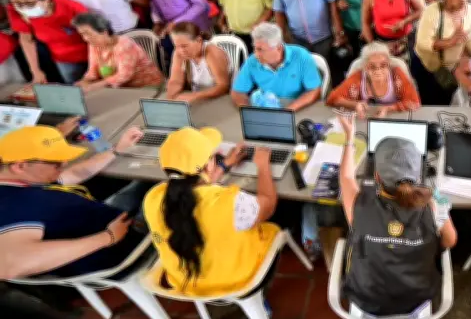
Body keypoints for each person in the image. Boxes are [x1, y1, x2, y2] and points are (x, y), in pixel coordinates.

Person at [337, 113, 457, 316]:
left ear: (376, 176)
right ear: (418, 174)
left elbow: (346, 176)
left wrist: (350, 137)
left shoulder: (358, 205)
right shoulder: (434, 204)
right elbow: (450, 240)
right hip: (416, 297)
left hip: (366, 297)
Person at [142, 126, 279, 296]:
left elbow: (191, 189)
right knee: (281, 217)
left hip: (186, 284)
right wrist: (263, 165)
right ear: (207, 166)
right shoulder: (231, 203)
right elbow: (269, 203)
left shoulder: (153, 198)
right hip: (236, 281)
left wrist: (223, 165)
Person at [0, 125, 148, 279]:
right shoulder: (12, 206)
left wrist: (116, 150)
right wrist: (108, 237)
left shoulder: (21, 181)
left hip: (104, 218)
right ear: (20, 166)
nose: (64, 165)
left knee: (142, 185)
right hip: (124, 250)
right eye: (56, 163)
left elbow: (74, 174)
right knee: (164, 192)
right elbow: (8, 265)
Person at [6, 0, 88, 84]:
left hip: (90, 53)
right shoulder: (15, 11)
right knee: (75, 88)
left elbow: (94, 35)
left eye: (30, 3)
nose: (24, 8)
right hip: (63, 59)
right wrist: (35, 71)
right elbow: (27, 41)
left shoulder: (69, 6)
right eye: (17, 4)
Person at [412, 0, 471, 105]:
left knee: (446, 101)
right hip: (428, 68)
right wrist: (450, 42)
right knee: (428, 104)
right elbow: (423, 43)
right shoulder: (433, 11)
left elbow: (466, 37)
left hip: (450, 68)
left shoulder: (470, 11)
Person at [231, 22, 322, 110]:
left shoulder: (301, 56)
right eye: (254, 48)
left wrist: (288, 111)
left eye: (260, 49)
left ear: (278, 48)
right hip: (268, 108)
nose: (256, 54)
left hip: (297, 107)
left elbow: (314, 90)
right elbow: (237, 91)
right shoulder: (252, 61)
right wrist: (248, 111)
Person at [73, 13, 163, 92]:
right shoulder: (93, 45)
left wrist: (94, 86)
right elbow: (93, 71)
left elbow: (124, 76)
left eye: (88, 34)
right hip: (121, 89)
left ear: (104, 32)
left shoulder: (124, 45)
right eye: (82, 34)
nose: (85, 38)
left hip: (145, 87)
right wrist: (85, 81)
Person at [326, 42, 420, 117]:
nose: (378, 70)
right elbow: (332, 98)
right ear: (364, 67)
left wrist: (388, 108)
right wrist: (355, 104)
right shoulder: (358, 76)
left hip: (395, 117)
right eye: (372, 67)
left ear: (389, 64)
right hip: (364, 119)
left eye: (383, 65)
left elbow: (414, 101)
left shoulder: (397, 73)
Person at [164, 22, 231, 104]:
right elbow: (175, 81)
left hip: (219, 100)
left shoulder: (212, 53)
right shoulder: (178, 53)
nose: (181, 51)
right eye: (176, 46)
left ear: (199, 40)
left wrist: (195, 96)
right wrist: (170, 100)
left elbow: (223, 86)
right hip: (198, 99)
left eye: (184, 46)